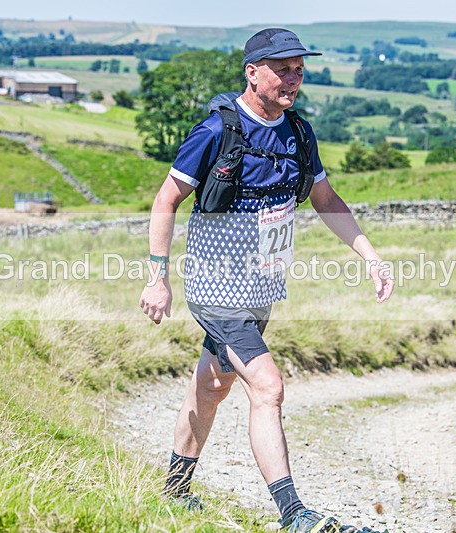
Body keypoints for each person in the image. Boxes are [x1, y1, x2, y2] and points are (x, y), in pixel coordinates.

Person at [139, 28, 394, 533]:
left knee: (213, 386)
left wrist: (370, 255)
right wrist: (157, 279)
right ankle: (294, 514)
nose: (293, 79)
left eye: (299, 69)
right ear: (252, 72)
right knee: (268, 386)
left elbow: (325, 200)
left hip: (262, 288)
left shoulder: (298, 133)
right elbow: (165, 200)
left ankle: (172, 491)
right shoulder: (215, 132)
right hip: (215, 287)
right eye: (283, 68)